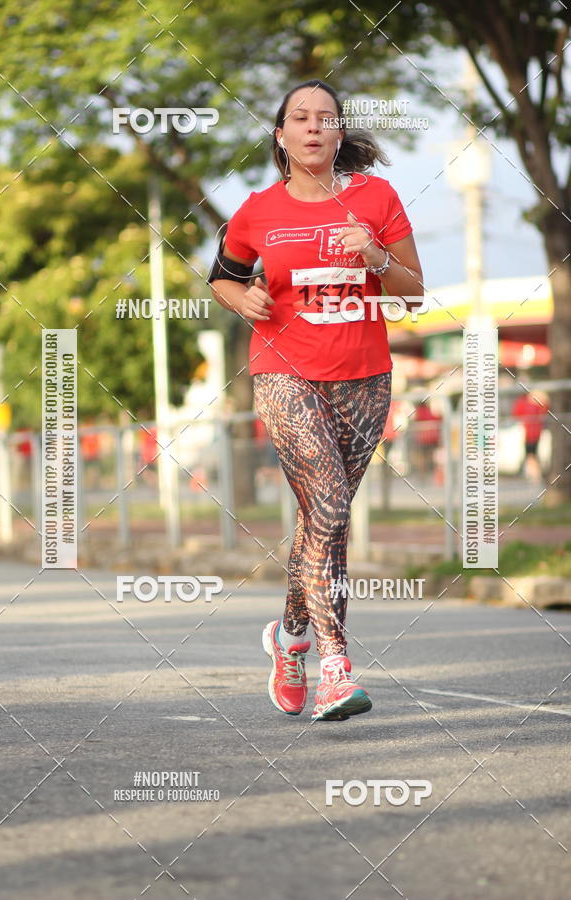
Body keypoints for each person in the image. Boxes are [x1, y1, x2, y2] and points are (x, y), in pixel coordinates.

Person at [207, 79, 424, 722]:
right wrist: (240, 297)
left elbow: (413, 296)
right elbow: (223, 275)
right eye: (299, 118)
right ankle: (335, 665)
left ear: (338, 134)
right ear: (281, 135)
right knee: (329, 508)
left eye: (326, 118)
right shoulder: (257, 212)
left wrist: (378, 257)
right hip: (283, 373)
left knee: (319, 520)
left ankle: (288, 638)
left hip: (364, 377)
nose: (312, 127)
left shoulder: (376, 196)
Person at [512, 390, 549, 481]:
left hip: (531, 434)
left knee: (531, 455)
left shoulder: (529, 403)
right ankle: (533, 474)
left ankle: (534, 475)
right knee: (532, 454)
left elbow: (516, 413)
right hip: (531, 433)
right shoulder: (529, 402)